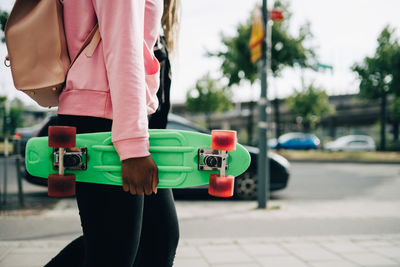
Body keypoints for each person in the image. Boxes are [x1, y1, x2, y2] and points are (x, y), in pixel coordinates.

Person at [44, 0, 181, 266]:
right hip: (106, 117)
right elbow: (123, 48)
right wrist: (132, 148)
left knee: (155, 238)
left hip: (116, 113)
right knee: (113, 254)